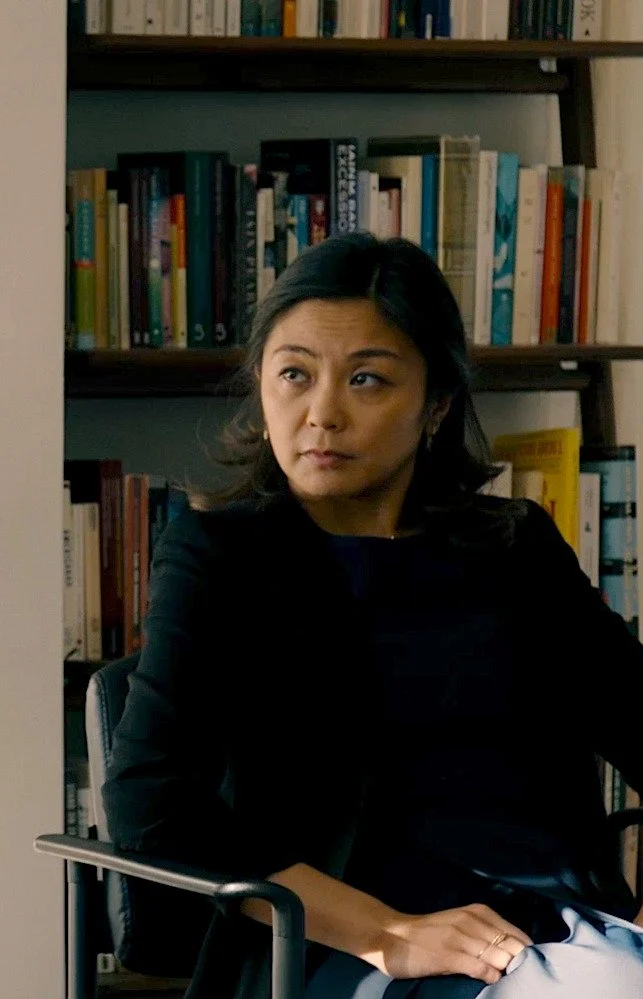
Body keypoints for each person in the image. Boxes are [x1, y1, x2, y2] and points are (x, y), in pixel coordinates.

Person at [101, 232, 643, 999]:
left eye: (366, 379)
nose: (321, 413)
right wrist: (388, 934)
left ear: (436, 403)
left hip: (557, 925)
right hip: (336, 945)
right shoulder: (221, 555)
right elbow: (151, 807)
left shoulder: (513, 546)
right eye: (293, 374)